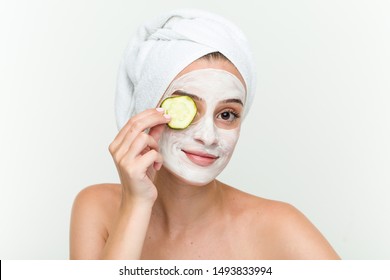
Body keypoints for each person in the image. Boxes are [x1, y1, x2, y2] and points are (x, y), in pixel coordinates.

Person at [69, 9, 340, 260]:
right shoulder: (97, 209)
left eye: (226, 115)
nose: (208, 137)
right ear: (145, 110)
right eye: (187, 108)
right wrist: (136, 204)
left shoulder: (280, 226)